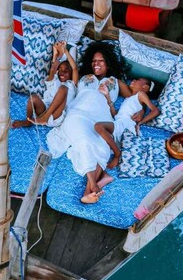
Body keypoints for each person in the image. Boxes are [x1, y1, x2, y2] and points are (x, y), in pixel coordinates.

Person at [44, 41, 133, 204]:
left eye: (100, 61)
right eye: (93, 61)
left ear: (108, 63)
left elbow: (134, 98)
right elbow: (71, 70)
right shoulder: (84, 78)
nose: (96, 64)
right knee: (84, 141)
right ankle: (93, 185)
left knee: (102, 145)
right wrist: (63, 52)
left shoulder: (116, 82)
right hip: (78, 113)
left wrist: (139, 110)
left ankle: (88, 191)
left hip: (101, 115)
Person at [93, 77, 160, 169]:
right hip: (118, 124)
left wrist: (140, 123)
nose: (133, 80)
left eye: (138, 80)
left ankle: (117, 154)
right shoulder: (128, 99)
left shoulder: (140, 94)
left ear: (145, 87)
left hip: (126, 125)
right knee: (97, 150)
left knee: (98, 126)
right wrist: (107, 96)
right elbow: (115, 115)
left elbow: (155, 111)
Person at [12, 41, 79, 128]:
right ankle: (28, 121)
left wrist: (65, 51)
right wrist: (57, 54)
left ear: (71, 74)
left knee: (63, 88)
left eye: (66, 71)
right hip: (43, 111)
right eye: (60, 70)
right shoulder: (54, 80)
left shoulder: (71, 85)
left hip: (56, 115)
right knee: (33, 98)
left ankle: (45, 118)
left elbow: (74, 68)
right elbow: (53, 69)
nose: (62, 72)